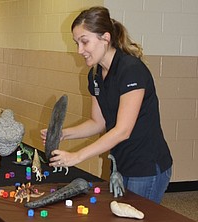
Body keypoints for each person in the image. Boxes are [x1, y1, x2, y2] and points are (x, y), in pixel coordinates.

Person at [41, 6, 172, 204]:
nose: (79, 50)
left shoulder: (131, 70)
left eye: (85, 42)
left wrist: (76, 156)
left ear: (105, 38)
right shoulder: (94, 75)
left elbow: (122, 130)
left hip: (145, 166)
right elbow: (98, 122)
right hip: (121, 163)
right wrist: (64, 133)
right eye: (77, 43)